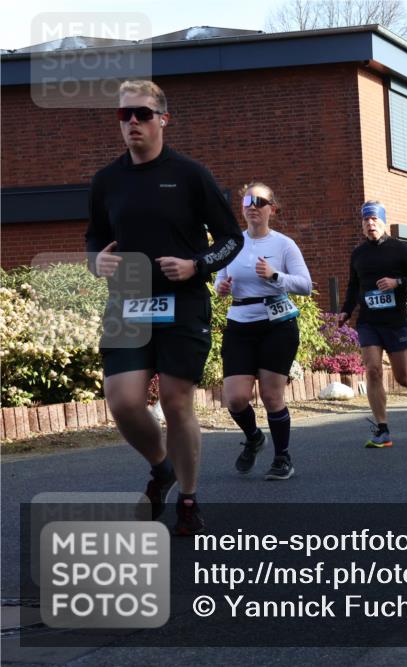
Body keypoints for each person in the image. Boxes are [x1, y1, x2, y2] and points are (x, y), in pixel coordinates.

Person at [86, 80, 243, 535]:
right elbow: (95, 237)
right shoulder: (106, 181)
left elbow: (231, 239)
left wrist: (197, 265)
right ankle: (162, 469)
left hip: (182, 304)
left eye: (141, 114)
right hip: (129, 302)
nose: (132, 122)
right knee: (123, 400)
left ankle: (189, 500)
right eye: (123, 115)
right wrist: (98, 260)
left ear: (162, 120)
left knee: (177, 403)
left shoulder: (192, 175)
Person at [215, 182, 311, 480]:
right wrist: (222, 287)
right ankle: (255, 437)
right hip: (240, 323)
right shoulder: (231, 244)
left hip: (277, 325)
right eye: (248, 200)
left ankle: (282, 458)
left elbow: (305, 285)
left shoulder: (284, 245)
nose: (253, 205)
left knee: (271, 396)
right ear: (242, 207)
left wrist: (275, 276)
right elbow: (219, 284)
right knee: (235, 398)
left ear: (273, 209)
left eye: (260, 201)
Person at [341, 201, 407, 448]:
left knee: (403, 375)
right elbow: (353, 286)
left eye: (374, 219)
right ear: (361, 225)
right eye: (366, 220)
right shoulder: (358, 254)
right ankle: (382, 429)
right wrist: (346, 311)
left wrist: (397, 282)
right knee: (372, 369)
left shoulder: (399, 249)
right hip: (369, 322)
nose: (370, 224)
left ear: (383, 221)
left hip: (394, 321)